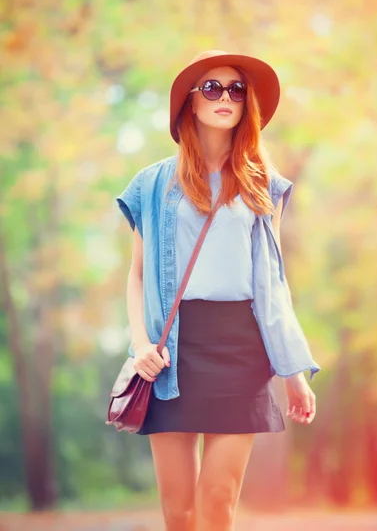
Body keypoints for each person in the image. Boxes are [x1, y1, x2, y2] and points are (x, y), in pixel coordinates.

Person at [115, 50, 320, 531]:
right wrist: (141, 344)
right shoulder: (153, 183)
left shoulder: (262, 184)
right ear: (190, 102)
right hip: (171, 352)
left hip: (240, 349)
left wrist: (293, 370)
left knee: (218, 503)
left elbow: (272, 285)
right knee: (180, 511)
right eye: (212, 88)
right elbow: (138, 274)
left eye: (236, 89)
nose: (225, 97)